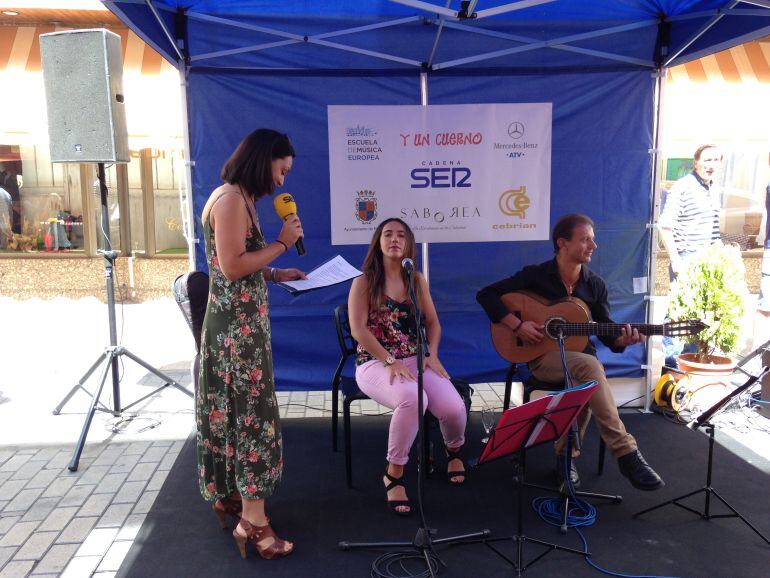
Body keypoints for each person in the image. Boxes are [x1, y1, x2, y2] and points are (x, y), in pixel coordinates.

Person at [476, 214, 664, 491]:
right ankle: (625, 452)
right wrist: (517, 325)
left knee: (586, 378)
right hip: (540, 357)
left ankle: (565, 460)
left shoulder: (594, 285)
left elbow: (606, 331)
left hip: (581, 362)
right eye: (585, 239)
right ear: (563, 243)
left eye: (593, 239)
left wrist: (624, 340)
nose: (593, 245)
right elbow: (487, 295)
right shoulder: (536, 276)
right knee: (590, 370)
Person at [197, 129, 305, 560]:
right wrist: (282, 244)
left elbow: (242, 263)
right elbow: (232, 264)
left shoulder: (242, 200)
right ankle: (255, 524)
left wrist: (279, 273)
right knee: (251, 418)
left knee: (234, 412)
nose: (282, 182)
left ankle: (229, 496)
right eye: (281, 170)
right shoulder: (229, 201)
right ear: (264, 160)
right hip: (235, 338)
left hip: (242, 331)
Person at [349, 218, 468, 516]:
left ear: (409, 245)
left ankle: (453, 451)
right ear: (377, 242)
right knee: (414, 400)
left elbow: (433, 322)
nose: (394, 239)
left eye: (401, 235)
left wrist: (433, 355)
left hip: (416, 359)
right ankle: (394, 473)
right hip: (375, 362)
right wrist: (389, 360)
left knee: (454, 408)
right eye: (387, 234)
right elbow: (358, 330)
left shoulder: (416, 280)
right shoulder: (362, 282)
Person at [658, 145, 723, 367]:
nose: (711, 164)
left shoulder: (713, 188)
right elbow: (665, 226)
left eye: (715, 160)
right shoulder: (683, 187)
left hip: (709, 261)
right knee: (678, 316)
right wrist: (676, 259)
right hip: (686, 258)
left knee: (701, 318)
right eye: (707, 160)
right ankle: (670, 370)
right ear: (696, 162)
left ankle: (692, 367)